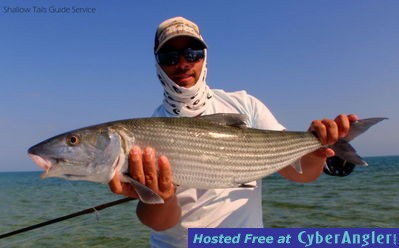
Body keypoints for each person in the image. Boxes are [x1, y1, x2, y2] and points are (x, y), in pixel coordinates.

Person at [108, 16, 358, 247]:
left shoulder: (244, 105)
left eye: (192, 53)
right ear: (158, 64)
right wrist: (164, 196)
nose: (183, 64)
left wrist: (316, 151)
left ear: (204, 57)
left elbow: (299, 173)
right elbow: (160, 222)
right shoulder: (147, 129)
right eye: (170, 57)